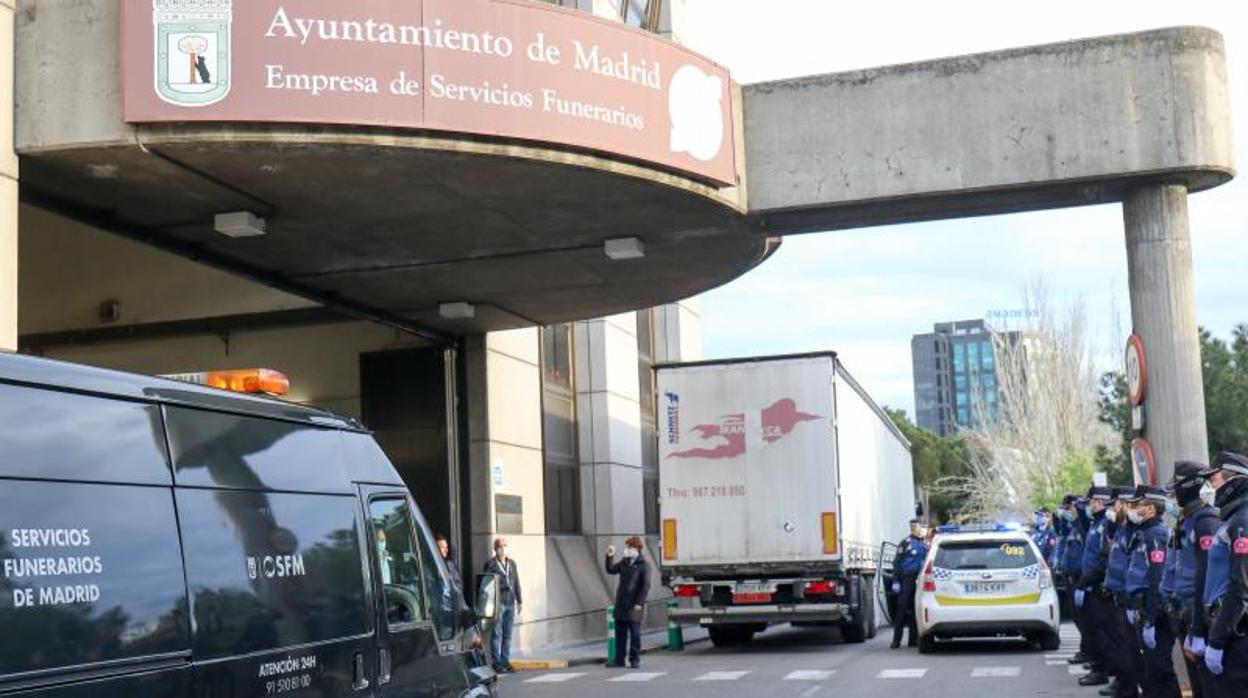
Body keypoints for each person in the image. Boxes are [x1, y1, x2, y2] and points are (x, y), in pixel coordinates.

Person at [1165, 461, 1219, 698]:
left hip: (1200, 617)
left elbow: (1204, 578)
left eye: (1176, 489)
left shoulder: (1205, 523)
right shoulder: (1186, 522)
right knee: (1198, 685)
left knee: (1208, 685)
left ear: (1188, 487)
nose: (1172, 498)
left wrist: (1197, 628)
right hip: (1185, 612)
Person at [1197, 452, 1248, 697]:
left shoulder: (1243, 522)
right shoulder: (1231, 520)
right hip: (1225, 627)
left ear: (1234, 480)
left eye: (1213, 480)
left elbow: (1240, 587)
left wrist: (1218, 640)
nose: (1209, 488)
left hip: (1236, 633)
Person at [1124, 485, 1181, 698]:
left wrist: (1150, 619)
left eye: (1136, 505)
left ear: (1150, 509)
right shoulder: (1143, 533)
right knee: (1151, 670)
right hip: (1144, 608)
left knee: (1161, 670)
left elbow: (1157, 579)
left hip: (1155, 613)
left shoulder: (1154, 535)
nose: (1132, 510)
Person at [1073, 487, 1113, 688]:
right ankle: (1101, 665)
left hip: (1098, 584)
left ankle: (1101, 670)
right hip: (1090, 583)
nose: (1090, 505)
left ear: (1101, 502)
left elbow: (1104, 559)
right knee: (1094, 629)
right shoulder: (1095, 523)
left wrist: (1086, 580)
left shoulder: (1106, 524)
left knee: (1100, 631)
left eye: (1093, 502)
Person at [605, 537, 651, 669]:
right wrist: (610, 556)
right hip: (621, 604)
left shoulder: (644, 565)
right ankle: (619, 660)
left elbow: (645, 586)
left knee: (635, 634)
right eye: (627, 547)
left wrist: (639, 602)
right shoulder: (624, 562)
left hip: (634, 605)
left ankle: (634, 660)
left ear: (637, 548)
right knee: (620, 634)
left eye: (629, 547)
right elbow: (611, 570)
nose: (627, 550)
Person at [482, 537, 521, 673]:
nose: (503, 548)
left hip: (510, 602)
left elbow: (516, 582)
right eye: (500, 546)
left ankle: (505, 661)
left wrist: (519, 600)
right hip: (498, 603)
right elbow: (487, 584)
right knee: (497, 634)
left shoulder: (512, 563)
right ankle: (497, 662)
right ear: (495, 549)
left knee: (508, 634)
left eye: (505, 545)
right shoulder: (491, 564)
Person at [890, 518, 928, 649]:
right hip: (907, 579)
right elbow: (896, 563)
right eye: (913, 527)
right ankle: (896, 640)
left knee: (915, 610)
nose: (915, 529)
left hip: (920, 580)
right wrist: (895, 581)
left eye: (917, 527)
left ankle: (913, 640)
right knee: (902, 609)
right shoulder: (905, 543)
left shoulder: (925, 544)